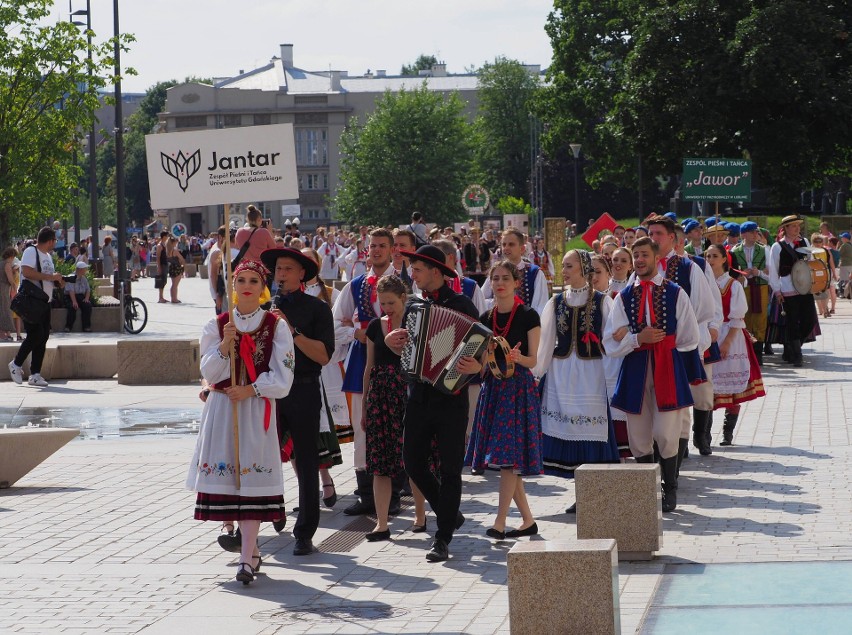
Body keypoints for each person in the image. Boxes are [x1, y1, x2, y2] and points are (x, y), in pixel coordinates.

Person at [186, 258, 294, 585]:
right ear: (233, 286)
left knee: (253, 485)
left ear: (263, 288)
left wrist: (251, 388)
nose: (246, 286)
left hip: (255, 409)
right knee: (232, 483)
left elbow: (283, 376)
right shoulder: (217, 324)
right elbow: (208, 373)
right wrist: (224, 345)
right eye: (241, 280)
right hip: (222, 410)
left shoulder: (276, 326)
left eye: (253, 281)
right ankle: (251, 552)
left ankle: (246, 559)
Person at [385, 245, 479, 562]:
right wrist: (391, 344)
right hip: (420, 396)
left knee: (451, 469)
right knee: (412, 461)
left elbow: (480, 348)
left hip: (451, 397)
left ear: (436, 272)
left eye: (418, 269)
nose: (412, 274)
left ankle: (442, 537)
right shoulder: (414, 309)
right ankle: (449, 512)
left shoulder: (463, 305)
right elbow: (409, 356)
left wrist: (476, 366)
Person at [603, 237, 700, 512]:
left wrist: (667, 348)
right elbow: (611, 343)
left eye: (644, 254)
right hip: (635, 368)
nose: (640, 260)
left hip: (667, 367)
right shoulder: (624, 297)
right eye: (636, 255)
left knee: (666, 433)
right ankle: (648, 489)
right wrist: (637, 338)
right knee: (638, 436)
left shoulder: (675, 292)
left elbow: (690, 337)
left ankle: (670, 486)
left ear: (656, 257)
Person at [262, 246, 335, 556]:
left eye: (288, 269)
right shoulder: (264, 308)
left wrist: (292, 332)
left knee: (306, 461)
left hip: (304, 389)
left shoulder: (317, 309)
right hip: (269, 391)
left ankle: (304, 531)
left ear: (302, 273)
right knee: (263, 456)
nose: (281, 274)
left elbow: (324, 355)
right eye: (278, 269)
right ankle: (268, 511)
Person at [535, 251, 618, 514]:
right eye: (562, 266)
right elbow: (546, 342)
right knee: (568, 431)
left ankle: (595, 494)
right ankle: (581, 494)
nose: (564, 271)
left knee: (592, 434)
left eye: (569, 266)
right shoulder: (556, 301)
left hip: (591, 374)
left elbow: (612, 341)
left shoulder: (603, 302)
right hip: (560, 375)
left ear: (583, 269)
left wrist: (613, 379)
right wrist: (536, 373)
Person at [465, 260, 542, 538]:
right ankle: (528, 521)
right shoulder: (486, 318)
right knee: (507, 458)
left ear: (516, 283)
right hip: (494, 389)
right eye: (495, 278)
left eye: (506, 278)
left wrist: (518, 358)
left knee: (508, 458)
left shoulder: (529, 315)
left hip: (518, 388)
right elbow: (483, 360)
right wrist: (476, 367)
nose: (500, 283)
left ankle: (500, 521)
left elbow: (534, 358)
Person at [332, 228, 402, 517]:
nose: (375, 250)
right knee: (363, 428)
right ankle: (365, 495)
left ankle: (395, 493)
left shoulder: (405, 283)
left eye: (382, 246)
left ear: (391, 250)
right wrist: (355, 332)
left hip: (398, 363)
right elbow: (335, 324)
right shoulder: (356, 285)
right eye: (372, 245)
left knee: (396, 426)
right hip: (365, 362)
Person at [361, 275, 429, 540]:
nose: (387, 308)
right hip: (380, 395)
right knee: (380, 462)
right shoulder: (375, 327)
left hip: (408, 392)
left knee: (413, 458)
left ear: (403, 298)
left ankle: (420, 515)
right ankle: (381, 522)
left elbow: (422, 360)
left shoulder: (416, 324)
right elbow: (369, 367)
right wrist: (365, 404)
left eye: (391, 302)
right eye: (382, 303)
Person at [302, 247, 350, 504]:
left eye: (311, 261)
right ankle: (315, 486)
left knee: (322, 427)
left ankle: (326, 479)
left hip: (325, 367)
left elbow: (344, 327)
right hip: (297, 369)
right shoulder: (286, 296)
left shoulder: (331, 294)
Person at [704, 245, 765, 445]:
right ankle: (704, 434)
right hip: (708, 335)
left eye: (714, 256)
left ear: (724, 259)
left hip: (732, 334)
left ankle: (727, 432)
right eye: (707, 256)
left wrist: (728, 341)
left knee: (734, 385)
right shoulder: (703, 283)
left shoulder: (733, 285)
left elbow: (738, 316)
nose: (710, 259)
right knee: (708, 385)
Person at [9, 227, 65, 387]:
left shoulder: (48, 256)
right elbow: (26, 272)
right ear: (50, 240)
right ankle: (16, 364)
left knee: (43, 336)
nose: (56, 243)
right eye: (55, 240)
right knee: (36, 334)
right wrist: (50, 277)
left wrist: (58, 281)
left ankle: (35, 374)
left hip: (44, 302)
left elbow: (46, 279)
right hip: (31, 301)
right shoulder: (31, 252)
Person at [768, 215, 819, 367]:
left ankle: (792, 346)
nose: (797, 228)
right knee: (792, 323)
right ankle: (797, 355)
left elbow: (810, 264)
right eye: (794, 226)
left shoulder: (805, 242)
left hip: (805, 288)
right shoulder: (777, 247)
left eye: (798, 226)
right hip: (788, 288)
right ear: (785, 229)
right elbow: (773, 270)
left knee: (809, 321)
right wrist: (777, 291)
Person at [481, 228, 549, 315]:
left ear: (522, 249)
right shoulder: (495, 271)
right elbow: (481, 299)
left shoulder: (535, 273)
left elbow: (541, 306)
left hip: (526, 325)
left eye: (511, 244)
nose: (506, 248)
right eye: (504, 244)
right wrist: (496, 301)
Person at [730, 222, 770, 365]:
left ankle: (758, 354)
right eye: (752, 232)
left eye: (756, 232)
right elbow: (733, 273)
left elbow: (770, 274)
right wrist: (743, 275)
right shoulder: (734, 251)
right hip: (743, 288)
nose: (756, 234)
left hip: (760, 287)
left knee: (760, 318)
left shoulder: (765, 250)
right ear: (743, 234)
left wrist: (757, 272)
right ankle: (746, 351)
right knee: (744, 317)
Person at [63, 261, 93, 332]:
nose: (86, 270)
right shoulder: (71, 277)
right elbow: (71, 291)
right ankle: (68, 327)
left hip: (80, 296)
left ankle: (86, 327)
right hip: (69, 296)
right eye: (85, 269)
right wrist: (74, 302)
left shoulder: (84, 278)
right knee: (72, 307)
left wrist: (86, 298)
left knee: (87, 305)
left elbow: (88, 290)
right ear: (80, 270)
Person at [810, 233, 833, 319]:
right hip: (815, 274)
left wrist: (833, 273)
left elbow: (831, 262)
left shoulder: (826, 251)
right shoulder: (811, 251)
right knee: (817, 293)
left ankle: (825, 309)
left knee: (826, 292)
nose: (818, 243)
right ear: (813, 242)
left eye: (820, 241)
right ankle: (823, 310)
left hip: (825, 273)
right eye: (816, 242)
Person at [0, 247, 17, 341]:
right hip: (4, 289)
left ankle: (6, 334)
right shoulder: (7, 264)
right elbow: (10, 280)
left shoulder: (1, 263)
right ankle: (3, 334)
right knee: (5, 310)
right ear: (11, 256)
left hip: (2, 288)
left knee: (2, 309)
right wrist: (15, 288)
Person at [166, 237, 186, 304]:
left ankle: (173, 298)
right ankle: (175, 299)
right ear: (173, 243)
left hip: (171, 267)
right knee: (175, 285)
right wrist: (184, 267)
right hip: (177, 267)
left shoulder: (167, 251)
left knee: (173, 284)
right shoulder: (174, 251)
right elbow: (182, 259)